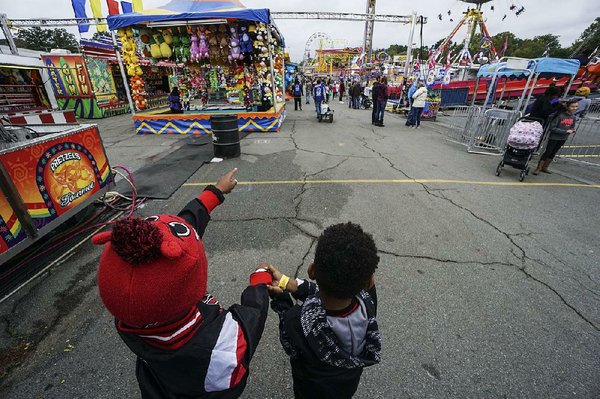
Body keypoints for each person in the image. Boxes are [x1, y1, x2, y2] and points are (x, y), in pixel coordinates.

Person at [93, 169, 274, 399]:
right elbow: (252, 316)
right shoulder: (222, 342)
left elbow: (175, 235)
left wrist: (214, 193)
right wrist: (259, 280)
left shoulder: (130, 316)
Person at [267, 222, 381, 399]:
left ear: (312, 271)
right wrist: (286, 282)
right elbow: (326, 294)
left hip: (311, 389)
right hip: (347, 384)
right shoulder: (368, 302)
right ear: (368, 282)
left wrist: (281, 299)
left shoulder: (296, 321)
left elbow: (289, 345)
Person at [533, 100, 579, 175]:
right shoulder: (560, 115)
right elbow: (552, 128)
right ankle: (538, 168)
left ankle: (545, 167)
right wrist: (565, 131)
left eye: (576, 106)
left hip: (563, 138)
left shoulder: (573, 117)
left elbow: (572, 126)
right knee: (548, 152)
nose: (574, 108)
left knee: (554, 152)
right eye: (572, 106)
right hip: (554, 137)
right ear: (567, 107)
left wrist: (573, 130)